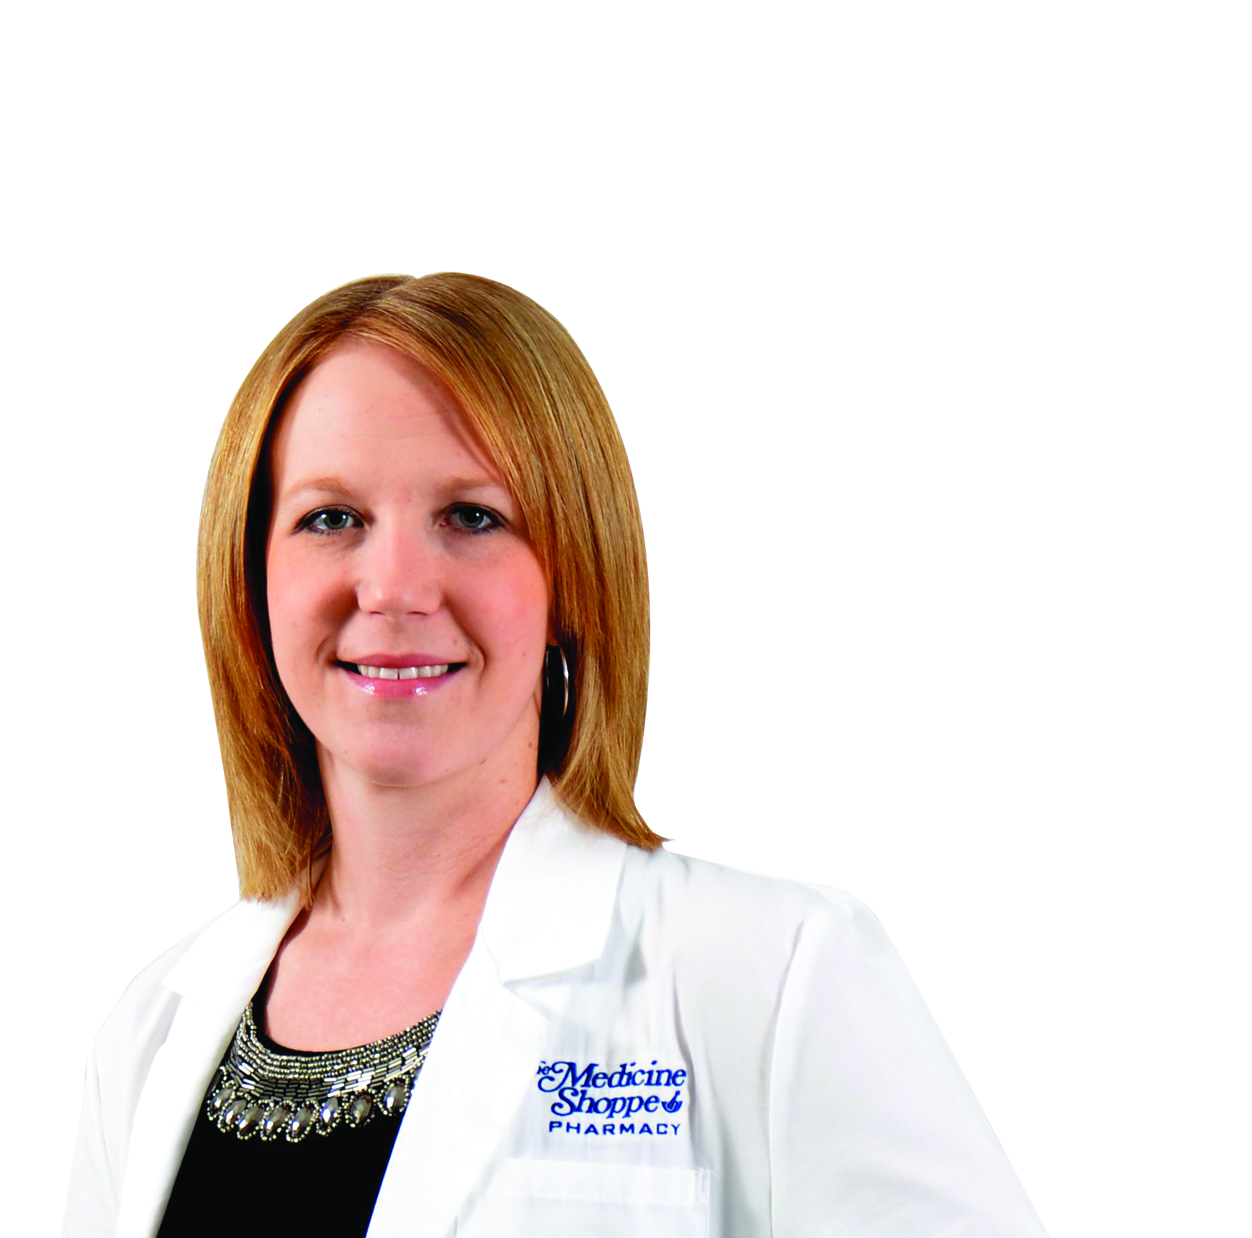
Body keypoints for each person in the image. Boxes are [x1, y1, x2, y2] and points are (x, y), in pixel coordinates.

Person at [62, 272, 1049, 1237]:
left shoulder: (766, 974)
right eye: (332, 518)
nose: (394, 587)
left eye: (472, 516)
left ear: (575, 575)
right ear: (249, 578)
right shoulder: (152, 1033)